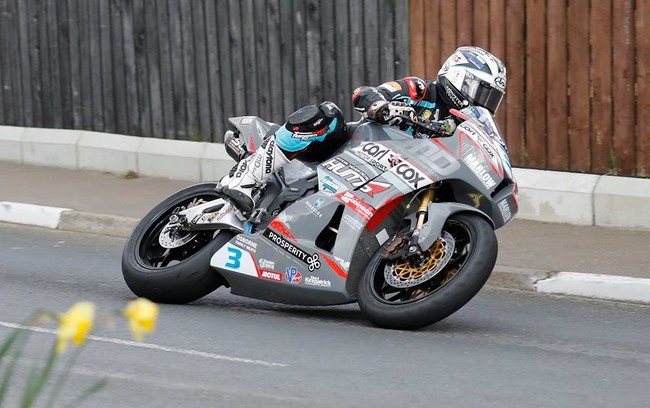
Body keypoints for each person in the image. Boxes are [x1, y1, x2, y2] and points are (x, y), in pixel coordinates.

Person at [220, 46, 507, 216]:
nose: (484, 103)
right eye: (482, 92)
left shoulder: (460, 128)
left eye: (491, 99)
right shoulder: (422, 90)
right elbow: (365, 93)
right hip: (353, 149)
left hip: (392, 177)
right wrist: (382, 106)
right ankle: (245, 178)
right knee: (327, 115)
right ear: (459, 76)